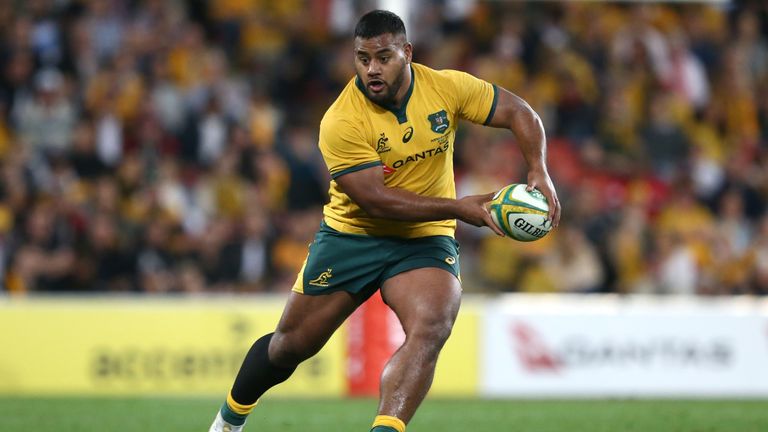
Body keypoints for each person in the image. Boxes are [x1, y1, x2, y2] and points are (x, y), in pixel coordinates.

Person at [209, 10, 561, 432]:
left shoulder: (446, 87)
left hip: (423, 238)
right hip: (353, 235)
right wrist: (459, 208)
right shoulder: (341, 119)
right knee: (290, 347)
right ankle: (228, 422)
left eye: (383, 57)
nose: (371, 69)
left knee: (432, 325)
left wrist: (538, 169)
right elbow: (376, 201)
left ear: (407, 53)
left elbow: (521, 113)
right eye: (362, 58)